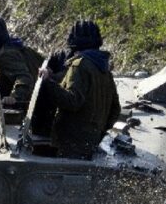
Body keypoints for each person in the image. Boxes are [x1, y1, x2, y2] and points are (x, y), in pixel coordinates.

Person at [40, 20, 121, 159]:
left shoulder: (79, 65)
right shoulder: (104, 69)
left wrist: (47, 82)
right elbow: (115, 110)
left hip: (71, 144)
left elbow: (72, 100)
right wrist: (99, 132)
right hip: (91, 143)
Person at [0, 17, 44, 108]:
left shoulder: (5, 54)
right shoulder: (17, 46)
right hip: (41, 99)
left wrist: (14, 97)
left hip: (34, 104)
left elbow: (24, 77)